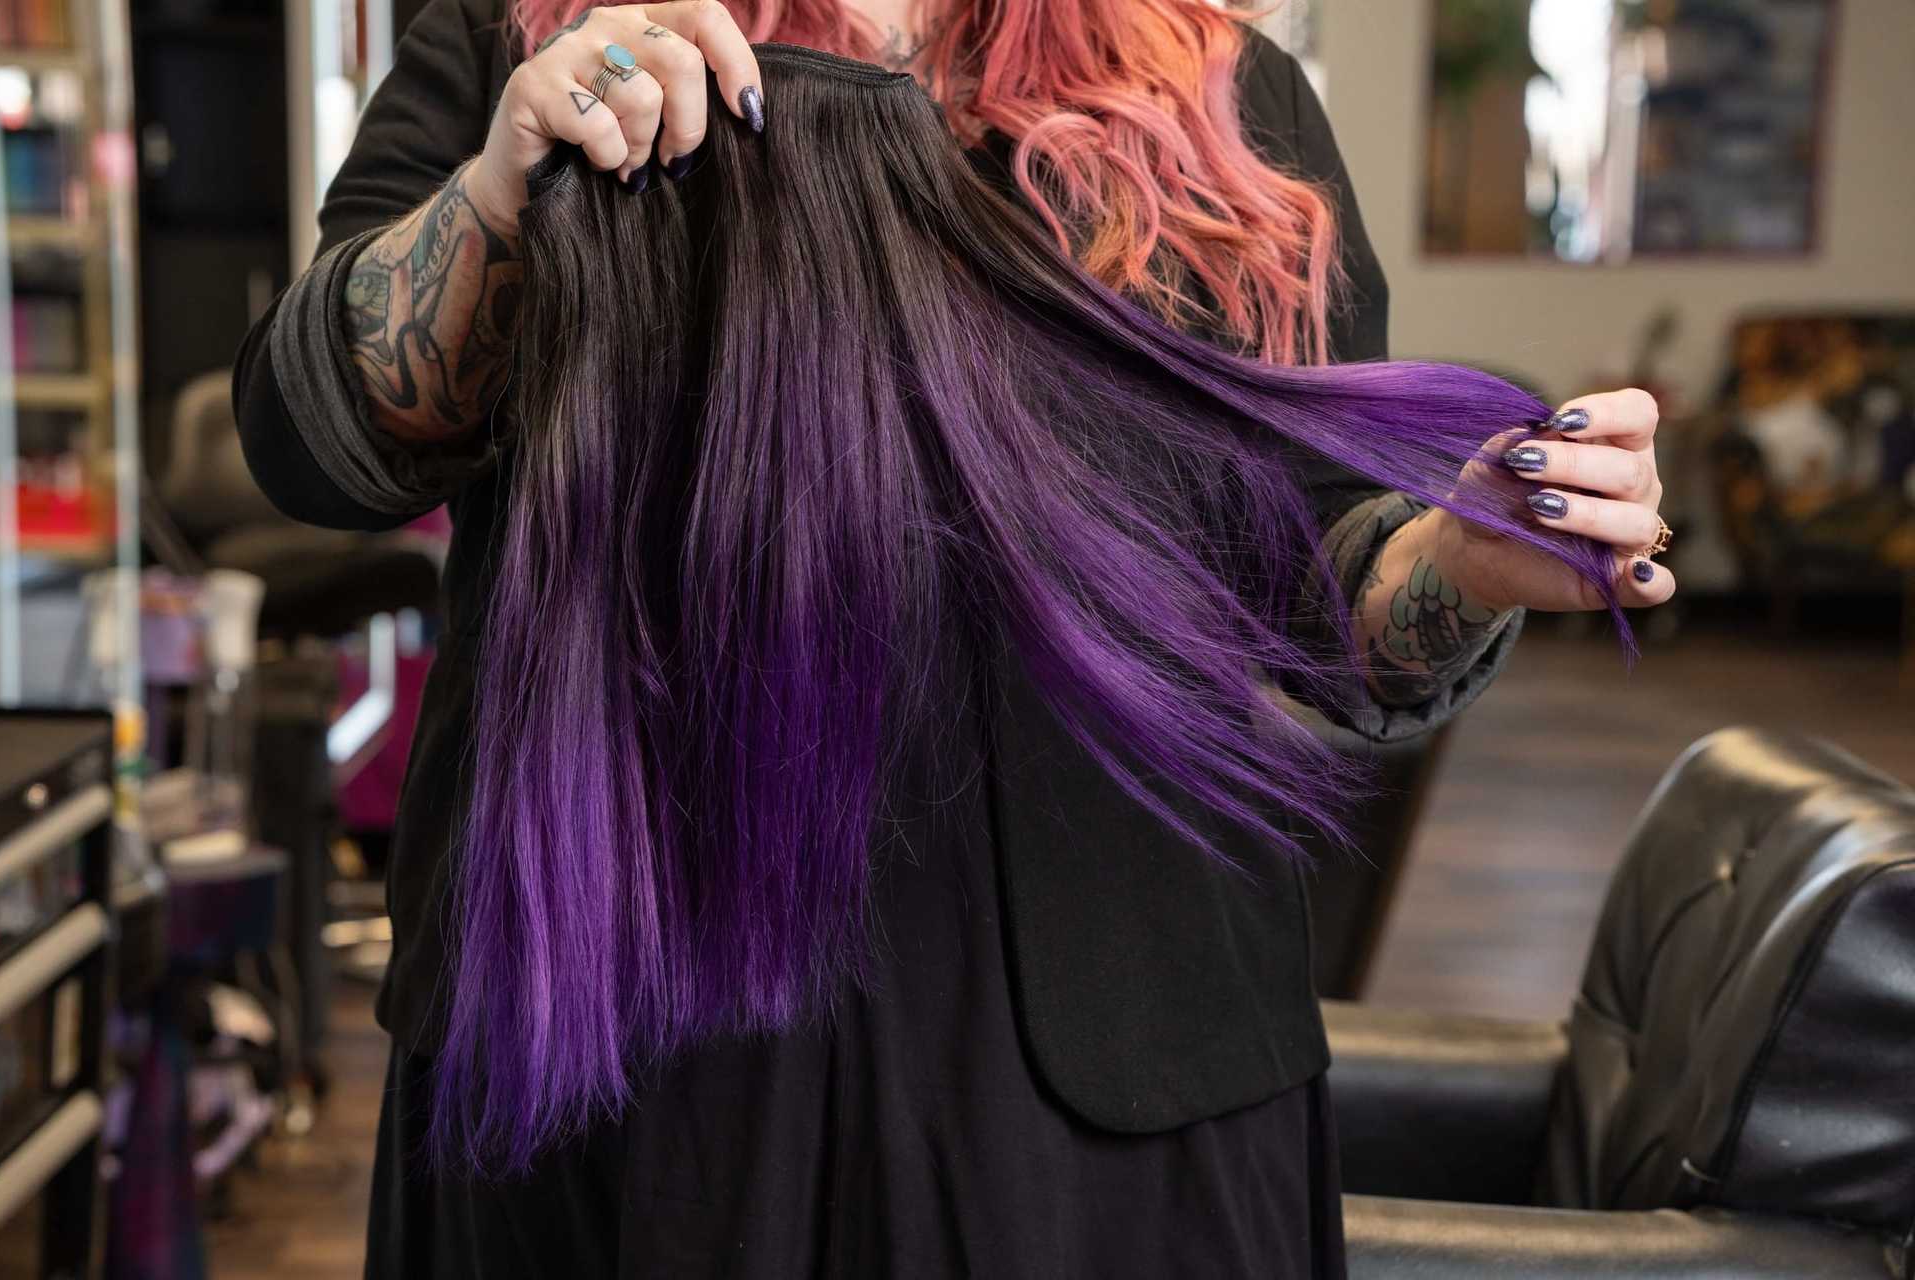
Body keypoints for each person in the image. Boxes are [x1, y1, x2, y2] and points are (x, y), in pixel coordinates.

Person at [233, 3, 1673, 1275]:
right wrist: (498, 191)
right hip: (625, 1014)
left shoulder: (1228, 105)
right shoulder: (531, 33)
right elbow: (320, 449)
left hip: (1109, 1047)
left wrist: (1468, 561)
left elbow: (1320, 601)